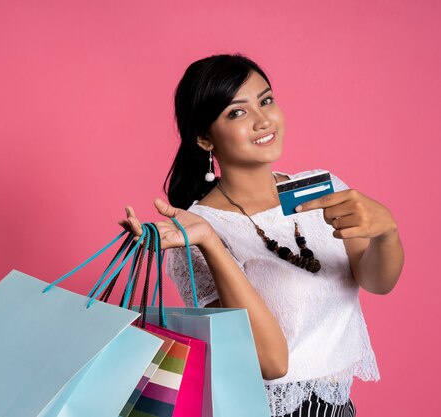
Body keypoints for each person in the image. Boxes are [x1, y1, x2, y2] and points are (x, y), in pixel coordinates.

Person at [117, 53, 404, 417]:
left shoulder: (319, 188)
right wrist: (208, 241)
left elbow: (376, 280)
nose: (262, 119)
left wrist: (386, 232)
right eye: (237, 112)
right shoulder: (199, 229)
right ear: (205, 138)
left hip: (338, 405)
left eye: (265, 100)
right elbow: (270, 363)